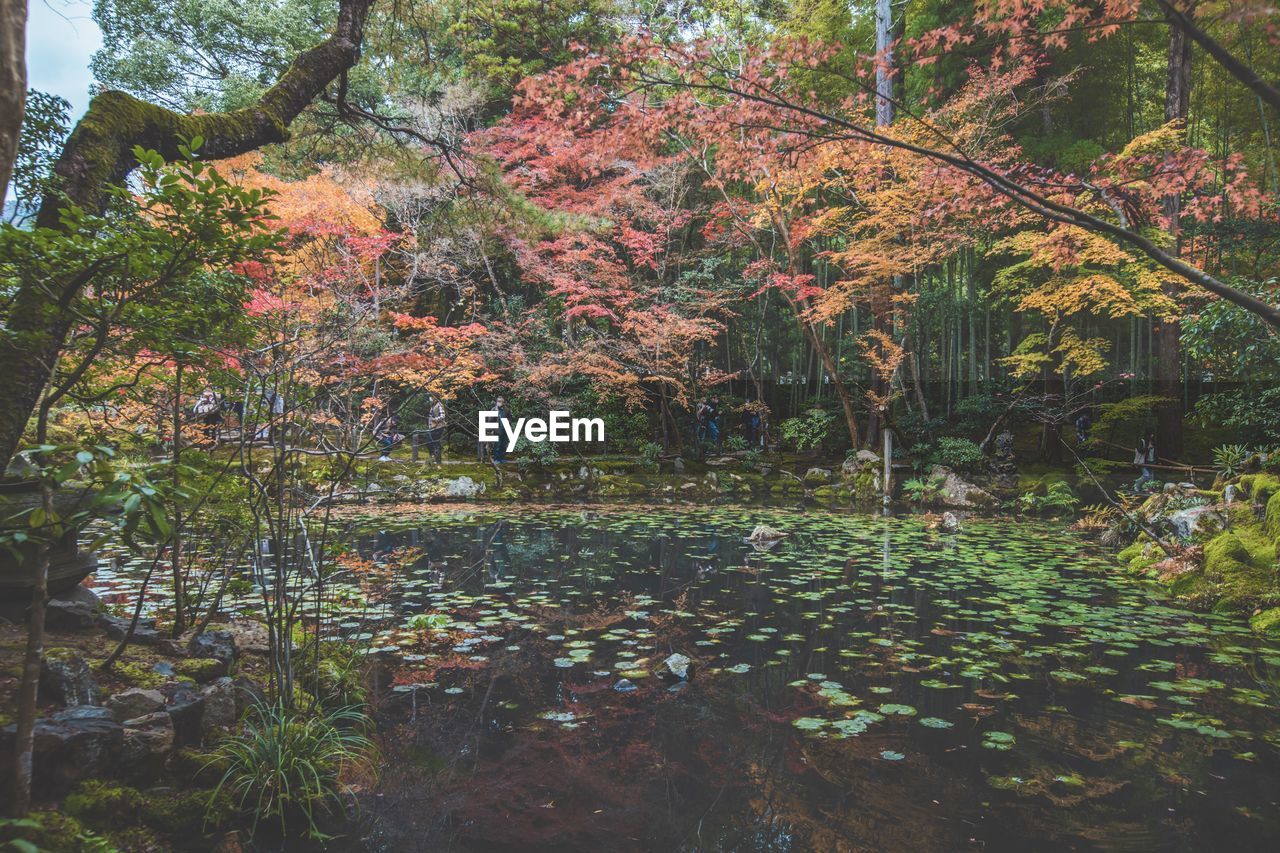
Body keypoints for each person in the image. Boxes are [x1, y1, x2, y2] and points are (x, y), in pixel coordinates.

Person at [425, 394, 446, 464]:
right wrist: (430, 426)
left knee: (436, 443)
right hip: (433, 426)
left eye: (432, 397)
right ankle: (432, 456)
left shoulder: (439, 405)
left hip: (439, 426)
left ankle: (437, 460)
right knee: (429, 441)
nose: (430, 398)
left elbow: (443, 416)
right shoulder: (433, 405)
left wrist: (435, 419)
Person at [491, 396, 511, 463]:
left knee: (503, 444)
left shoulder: (506, 410)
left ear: (503, 402)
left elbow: (510, 418)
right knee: (497, 445)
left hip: (505, 429)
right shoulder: (493, 409)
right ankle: (496, 459)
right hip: (497, 430)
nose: (499, 403)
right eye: (498, 401)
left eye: (500, 401)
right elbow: (490, 420)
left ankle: (502, 458)